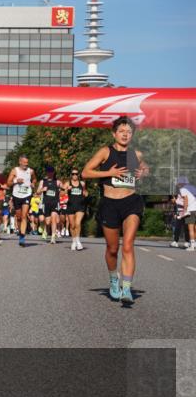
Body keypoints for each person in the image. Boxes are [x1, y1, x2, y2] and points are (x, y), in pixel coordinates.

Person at [82, 116, 150, 305]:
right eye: (121, 131)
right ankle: (114, 280)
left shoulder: (135, 155)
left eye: (128, 132)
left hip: (131, 202)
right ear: (114, 133)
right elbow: (85, 172)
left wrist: (143, 172)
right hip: (110, 204)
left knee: (128, 245)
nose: (125, 134)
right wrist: (109, 173)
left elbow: (146, 169)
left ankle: (127, 288)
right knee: (113, 249)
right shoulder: (105, 152)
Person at [7, 156, 37, 247]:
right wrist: (16, 180)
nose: (26, 164)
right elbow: (8, 183)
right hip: (16, 195)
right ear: (20, 162)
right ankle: (20, 232)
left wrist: (33, 183)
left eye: (27, 162)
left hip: (27, 195)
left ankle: (22, 237)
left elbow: (35, 179)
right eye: (24, 162)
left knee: (24, 215)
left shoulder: (31, 171)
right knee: (19, 217)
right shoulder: (14, 170)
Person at [38, 166, 62, 244]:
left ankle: (53, 237)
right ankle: (45, 229)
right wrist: (42, 189)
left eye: (51, 171)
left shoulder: (58, 182)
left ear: (54, 172)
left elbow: (64, 189)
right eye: (48, 171)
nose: (50, 173)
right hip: (46, 203)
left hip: (55, 203)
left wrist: (64, 190)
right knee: (48, 222)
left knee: (54, 219)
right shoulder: (43, 181)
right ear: (46, 172)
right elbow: (37, 192)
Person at [66, 168, 89, 250]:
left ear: (78, 175)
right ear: (71, 175)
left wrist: (85, 193)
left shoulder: (82, 183)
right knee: (72, 225)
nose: (75, 175)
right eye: (73, 174)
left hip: (80, 206)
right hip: (70, 206)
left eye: (76, 174)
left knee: (77, 223)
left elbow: (85, 192)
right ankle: (74, 241)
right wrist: (66, 190)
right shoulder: (67, 183)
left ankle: (78, 241)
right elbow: (60, 193)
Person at [177, 175, 196, 251]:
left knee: (190, 229)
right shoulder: (193, 187)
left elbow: (186, 200)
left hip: (191, 210)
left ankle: (192, 246)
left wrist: (184, 211)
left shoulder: (183, 189)